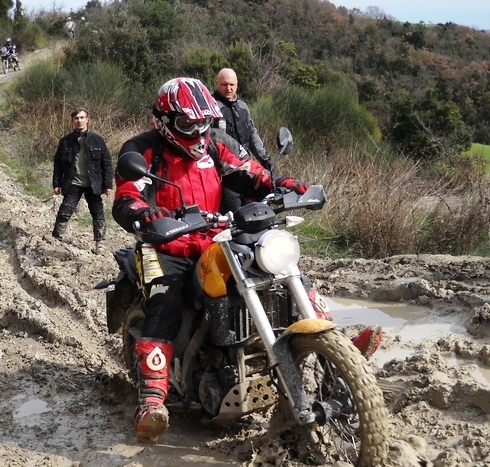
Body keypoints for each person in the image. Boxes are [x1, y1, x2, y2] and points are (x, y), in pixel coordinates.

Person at [112, 77, 382, 445]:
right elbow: (127, 197)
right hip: (164, 245)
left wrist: (285, 186)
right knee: (165, 301)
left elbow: (252, 172)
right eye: (187, 124)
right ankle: (152, 401)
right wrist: (144, 217)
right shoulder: (142, 151)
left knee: (281, 271)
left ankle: (338, 349)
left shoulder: (216, 143)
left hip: (214, 238)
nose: (197, 130)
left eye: (204, 121)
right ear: (162, 121)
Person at [52, 107, 113, 254]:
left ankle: (100, 243)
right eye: (76, 118)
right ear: (72, 121)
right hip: (73, 183)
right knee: (64, 211)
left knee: (98, 213)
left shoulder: (97, 140)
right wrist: (56, 184)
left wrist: (108, 184)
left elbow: (107, 163)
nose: (79, 121)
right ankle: (56, 238)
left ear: (87, 119)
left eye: (82, 117)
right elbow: (58, 164)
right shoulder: (65, 142)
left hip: (93, 184)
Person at [212, 68, 272, 213]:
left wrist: (263, 157)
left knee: (254, 212)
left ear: (237, 84)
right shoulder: (211, 108)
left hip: (247, 170)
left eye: (231, 84)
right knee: (233, 215)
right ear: (217, 84)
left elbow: (252, 133)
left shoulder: (243, 107)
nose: (228, 88)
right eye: (224, 84)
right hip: (225, 173)